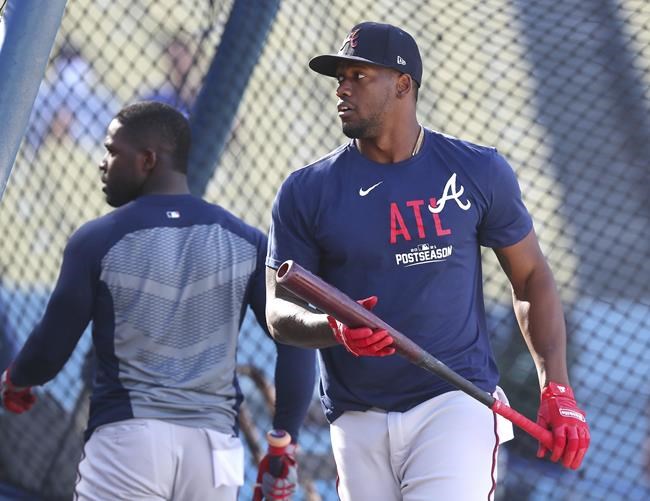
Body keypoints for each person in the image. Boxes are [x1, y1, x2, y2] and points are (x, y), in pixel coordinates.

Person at [264, 21, 590, 500]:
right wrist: (332, 330)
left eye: (358, 75)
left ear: (403, 84)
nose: (342, 88)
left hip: (454, 402)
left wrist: (556, 389)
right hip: (356, 415)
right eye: (340, 77)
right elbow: (278, 313)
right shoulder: (305, 190)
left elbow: (530, 277)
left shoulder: (479, 169)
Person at [0, 101, 315, 500]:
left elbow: (51, 346)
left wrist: (17, 380)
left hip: (128, 442)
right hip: (215, 452)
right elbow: (296, 340)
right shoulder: (248, 241)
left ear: (148, 159)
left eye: (113, 151)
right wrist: (284, 441)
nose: (102, 163)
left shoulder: (97, 239)